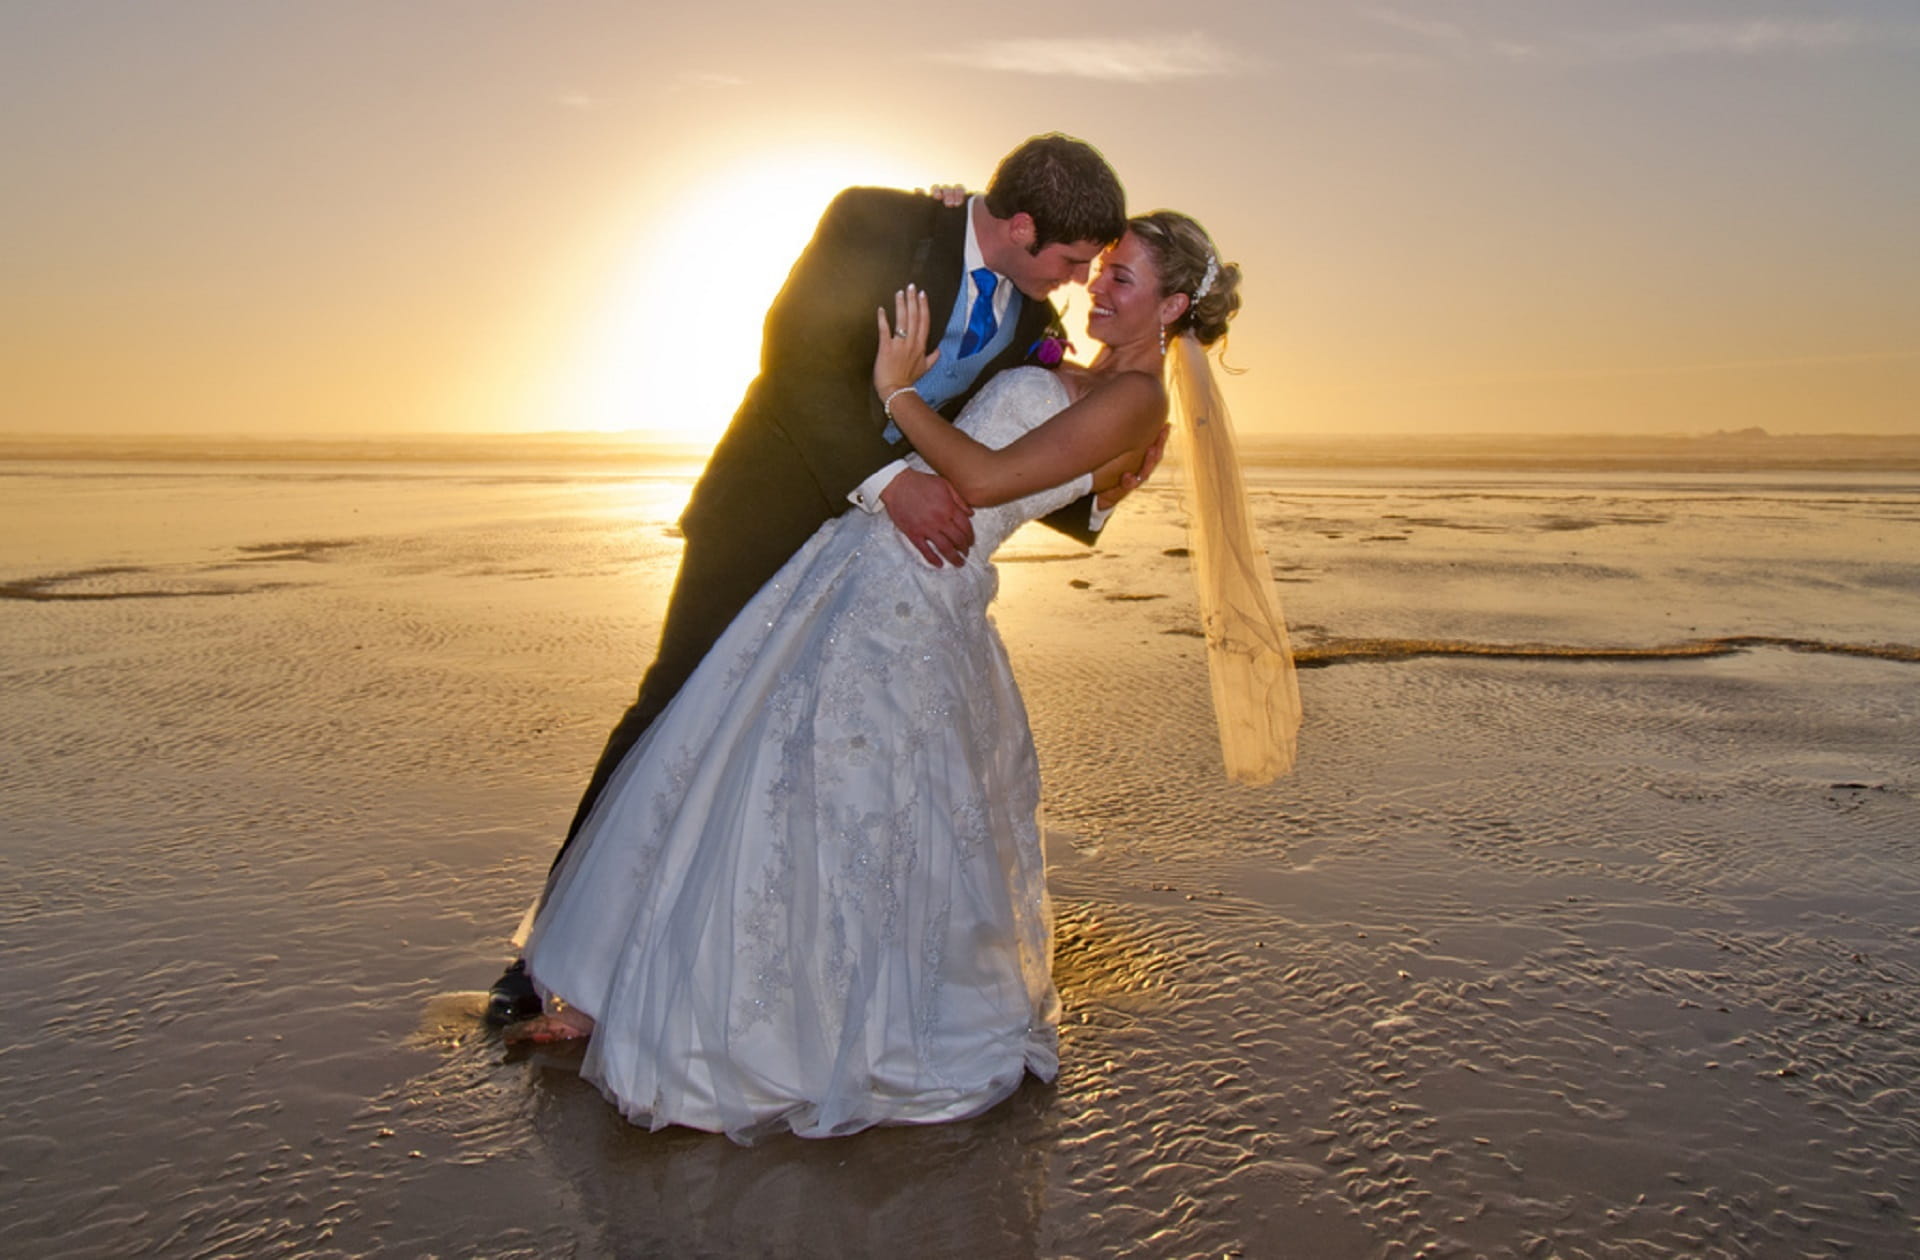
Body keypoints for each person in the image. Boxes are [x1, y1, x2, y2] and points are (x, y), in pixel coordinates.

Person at [505, 211, 1299, 1143]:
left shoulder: (1135, 403)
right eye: (1099, 267)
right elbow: (1043, 469)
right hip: (860, 567)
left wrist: (897, 391)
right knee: (756, 774)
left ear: (1171, 307)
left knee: (843, 802)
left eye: (1121, 277)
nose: (1095, 285)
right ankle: (631, 986)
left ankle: (789, 1032)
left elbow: (987, 481)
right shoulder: (1078, 375)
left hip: (915, 599)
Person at [487, 136, 1133, 1024]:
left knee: (781, 751)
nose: (1074, 281)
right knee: (671, 710)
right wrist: (889, 481)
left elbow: (1015, 439)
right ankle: (548, 954)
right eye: (1069, 260)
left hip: (861, 564)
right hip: (767, 513)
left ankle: (716, 962)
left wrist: (1103, 483)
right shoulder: (876, 221)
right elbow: (795, 361)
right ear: (1021, 227)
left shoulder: (1031, 319)